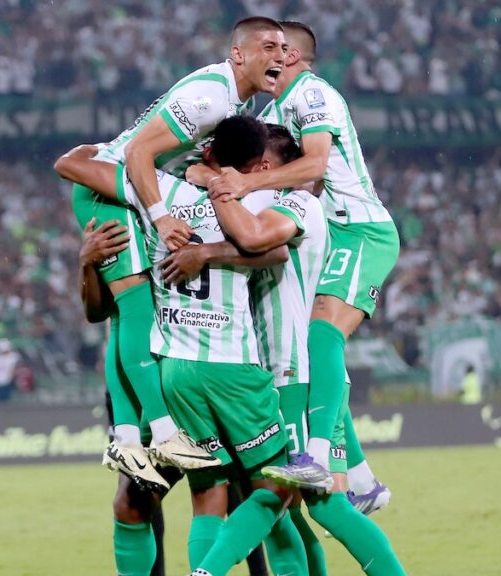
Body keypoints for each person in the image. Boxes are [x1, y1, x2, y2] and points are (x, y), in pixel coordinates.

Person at [53, 16, 288, 480]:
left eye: (284, 48)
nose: (280, 56)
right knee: (136, 307)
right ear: (238, 53)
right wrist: (162, 218)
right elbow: (139, 152)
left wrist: (194, 175)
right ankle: (161, 432)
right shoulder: (212, 98)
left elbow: (160, 153)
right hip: (113, 192)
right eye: (269, 46)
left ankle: (125, 437)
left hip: (126, 188)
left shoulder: (233, 99)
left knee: (124, 316)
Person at [67, 116, 301, 576]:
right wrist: (87, 265)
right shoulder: (249, 204)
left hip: (170, 378)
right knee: (267, 490)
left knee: (212, 493)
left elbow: (74, 164)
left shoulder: (158, 198)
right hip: (203, 374)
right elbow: (99, 311)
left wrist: (142, 152)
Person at [189, 124, 405, 575]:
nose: (238, 172)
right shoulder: (262, 201)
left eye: (246, 164)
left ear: (265, 167)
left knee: (279, 494)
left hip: (296, 373)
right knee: (319, 506)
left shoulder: (297, 202)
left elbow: (252, 238)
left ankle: (204, 572)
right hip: (292, 372)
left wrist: (213, 196)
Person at [206, 20, 399, 506]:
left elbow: (314, 166)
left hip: (360, 230)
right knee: (318, 350)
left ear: (292, 56)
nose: (269, 58)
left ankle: (316, 455)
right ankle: (360, 477)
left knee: (321, 337)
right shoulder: (279, 107)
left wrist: (247, 186)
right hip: (332, 234)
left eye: (276, 49)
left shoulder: (312, 96)